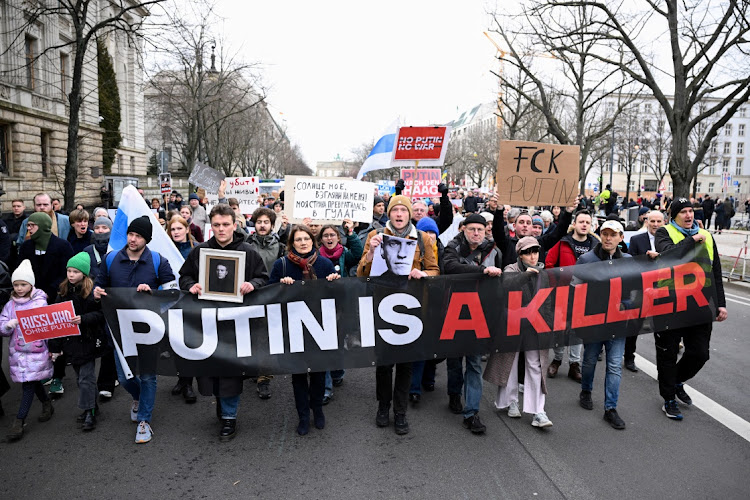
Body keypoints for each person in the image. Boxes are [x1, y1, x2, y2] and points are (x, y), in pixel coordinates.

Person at [179, 204, 268, 441]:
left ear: (234, 225)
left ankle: (230, 417)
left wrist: (253, 285)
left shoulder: (248, 253)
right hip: (207, 321)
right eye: (216, 225)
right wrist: (191, 286)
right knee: (210, 370)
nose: (221, 229)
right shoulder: (200, 252)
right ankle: (221, 404)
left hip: (235, 323)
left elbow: (263, 277)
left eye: (226, 224)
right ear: (211, 226)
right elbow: (184, 276)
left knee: (231, 370)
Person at [358, 195, 439, 435]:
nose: (400, 214)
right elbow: (362, 274)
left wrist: (424, 275)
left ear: (410, 214)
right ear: (390, 214)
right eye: (396, 210)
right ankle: (383, 406)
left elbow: (434, 269)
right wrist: (371, 253)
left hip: (412, 308)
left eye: (404, 210)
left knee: (406, 364)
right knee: (384, 363)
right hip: (383, 305)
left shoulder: (422, 239)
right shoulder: (375, 236)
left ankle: (400, 411)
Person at [94, 215, 176, 444]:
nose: (132, 239)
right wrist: (97, 292)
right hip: (120, 330)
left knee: (148, 376)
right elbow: (99, 284)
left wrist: (152, 293)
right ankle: (139, 397)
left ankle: (144, 420)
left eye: (138, 236)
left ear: (147, 240)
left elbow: (171, 295)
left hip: (148, 329)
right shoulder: (110, 259)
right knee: (124, 376)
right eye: (131, 234)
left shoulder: (159, 261)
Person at [653, 198, 727, 420]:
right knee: (667, 354)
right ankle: (668, 399)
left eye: (691, 211)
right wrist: (692, 240)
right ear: (674, 216)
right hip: (670, 304)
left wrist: (720, 304)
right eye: (683, 212)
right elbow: (668, 256)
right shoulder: (663, 233)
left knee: (700, 353)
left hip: (699, 304)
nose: (689, 215)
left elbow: (715, 272)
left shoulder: (707, 237)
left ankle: (675, 381)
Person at [268, 224, 340, 435]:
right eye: (298, 240)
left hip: (319, 327)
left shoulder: (325, 264)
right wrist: (280, 284)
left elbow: (339, 295)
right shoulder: (281, 265)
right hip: (293, 328)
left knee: (318, 373)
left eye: (306, 239)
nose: (303, 243)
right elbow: (269, 291)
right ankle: (303, 415)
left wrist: (336, 282)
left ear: (312, 241)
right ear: (292, 243)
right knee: (298, 375)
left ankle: (317, 409)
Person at [442, 213, 503, 434]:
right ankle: (453, 393)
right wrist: (481, 271)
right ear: (463, 230)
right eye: (471, 229)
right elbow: (450, 267)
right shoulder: (452, 247)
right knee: (455, 360)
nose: (476, 233)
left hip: (481, 313)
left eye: (480, 229)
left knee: (475, 363)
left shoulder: (494, 251)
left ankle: (472, 413)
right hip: (455, 311)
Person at [485, 237, 553, 428]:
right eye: (527, 252)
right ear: (519, 255)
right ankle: (510, 401)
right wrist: (527, 276)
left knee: (535, 364)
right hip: (512, 323)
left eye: (535, 251)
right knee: (510, 362)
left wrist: (547, 324)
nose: (532, 256)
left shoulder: (544, 274)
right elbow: (507, 285)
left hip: (535, 324)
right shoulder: (511, 269)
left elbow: (547, 300)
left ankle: (538, 411)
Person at [576, 220, 631, 430]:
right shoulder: (586, 259)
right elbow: (574, 289)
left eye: (613, 234)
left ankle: (610, 408)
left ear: (621, 238)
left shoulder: (628, 261)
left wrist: (626, 305)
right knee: (590, 360)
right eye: (604, 233)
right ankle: (586, 390)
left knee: (615, 365)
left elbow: (634, 289)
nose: (608, 238)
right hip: (594, 322)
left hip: (618, 324)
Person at [48, 253, 108, 432]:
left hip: (87, 341)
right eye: (69, 271)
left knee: (86, 379)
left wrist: (83, 319)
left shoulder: (91, 292)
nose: (71, 274)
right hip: (71, 343)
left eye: (75, 271)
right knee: (80, 377)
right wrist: (55, 348)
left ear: (84, 273)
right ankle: (93, 406)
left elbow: (101, 315)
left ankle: (89, 411)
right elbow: (57, 320)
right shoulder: (63, 291)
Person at [1, 260, 54, 441]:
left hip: (36, 351)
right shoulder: (10, 306)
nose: (19, 288)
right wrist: (8, 325)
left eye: (23, 284)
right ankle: (47, 403)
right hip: (18, 352)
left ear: (31, 284)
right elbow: (2, 328)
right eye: (16, 285)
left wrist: (53, 349)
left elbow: (49, 327)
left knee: (28, 384)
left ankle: (19, 420)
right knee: (31, 380)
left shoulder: (40, 304)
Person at [544, 210, 599, 382]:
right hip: (562, 292)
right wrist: (557, 282)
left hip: (585, 294)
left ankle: (574, 364)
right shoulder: (562, 242)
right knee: (560, 328)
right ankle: (557, 359)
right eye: (581, 221)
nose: (584, 225)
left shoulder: (596, 245)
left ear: (590, 226)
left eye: (587, 222)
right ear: (574, 224)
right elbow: (549, 263)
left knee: (577, 330)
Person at [317, 220, 363, 403]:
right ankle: (326, 387)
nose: (329, 238)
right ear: (321, 239)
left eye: (332, 235)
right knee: (325, 343)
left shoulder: (345, 254)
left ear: (338, 238)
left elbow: (359, 254)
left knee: (338, 338)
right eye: (326, 236)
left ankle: (337, 372)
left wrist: (351, 233)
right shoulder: (315, 256)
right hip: (322, 304)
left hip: (342, 303)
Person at [625, 210, 665, 372]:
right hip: (641, 288)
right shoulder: (636, 239)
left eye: (659, 221)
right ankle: (629, 357)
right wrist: (646, 260)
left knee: (662, 328)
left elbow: (675, 259)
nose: (655, 224)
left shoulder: (668, 240)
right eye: (652, 221)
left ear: (664, 222)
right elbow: (630, 263)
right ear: (646, 221)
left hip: (662, 288)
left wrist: (660, 256)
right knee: (635, 324)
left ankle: (663, 367)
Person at [82, 216, 117, 401]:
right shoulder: (87, 251)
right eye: (98, 227)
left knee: (109, 344)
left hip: (112, 303)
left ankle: (106, 384)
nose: (101, 230)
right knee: (93, 342)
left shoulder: (116, 249)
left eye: (105, 227)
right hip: (92, 304)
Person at [165, 216, 198, 404]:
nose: (176, 232)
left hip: (192, 301)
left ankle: (188, 383)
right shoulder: (165, 249)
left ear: (187, 229)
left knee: (189, 342)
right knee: (175, 343)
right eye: (172, 229)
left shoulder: (196, 249)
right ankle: (181, 378)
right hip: (172, 301)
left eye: (179, 228)